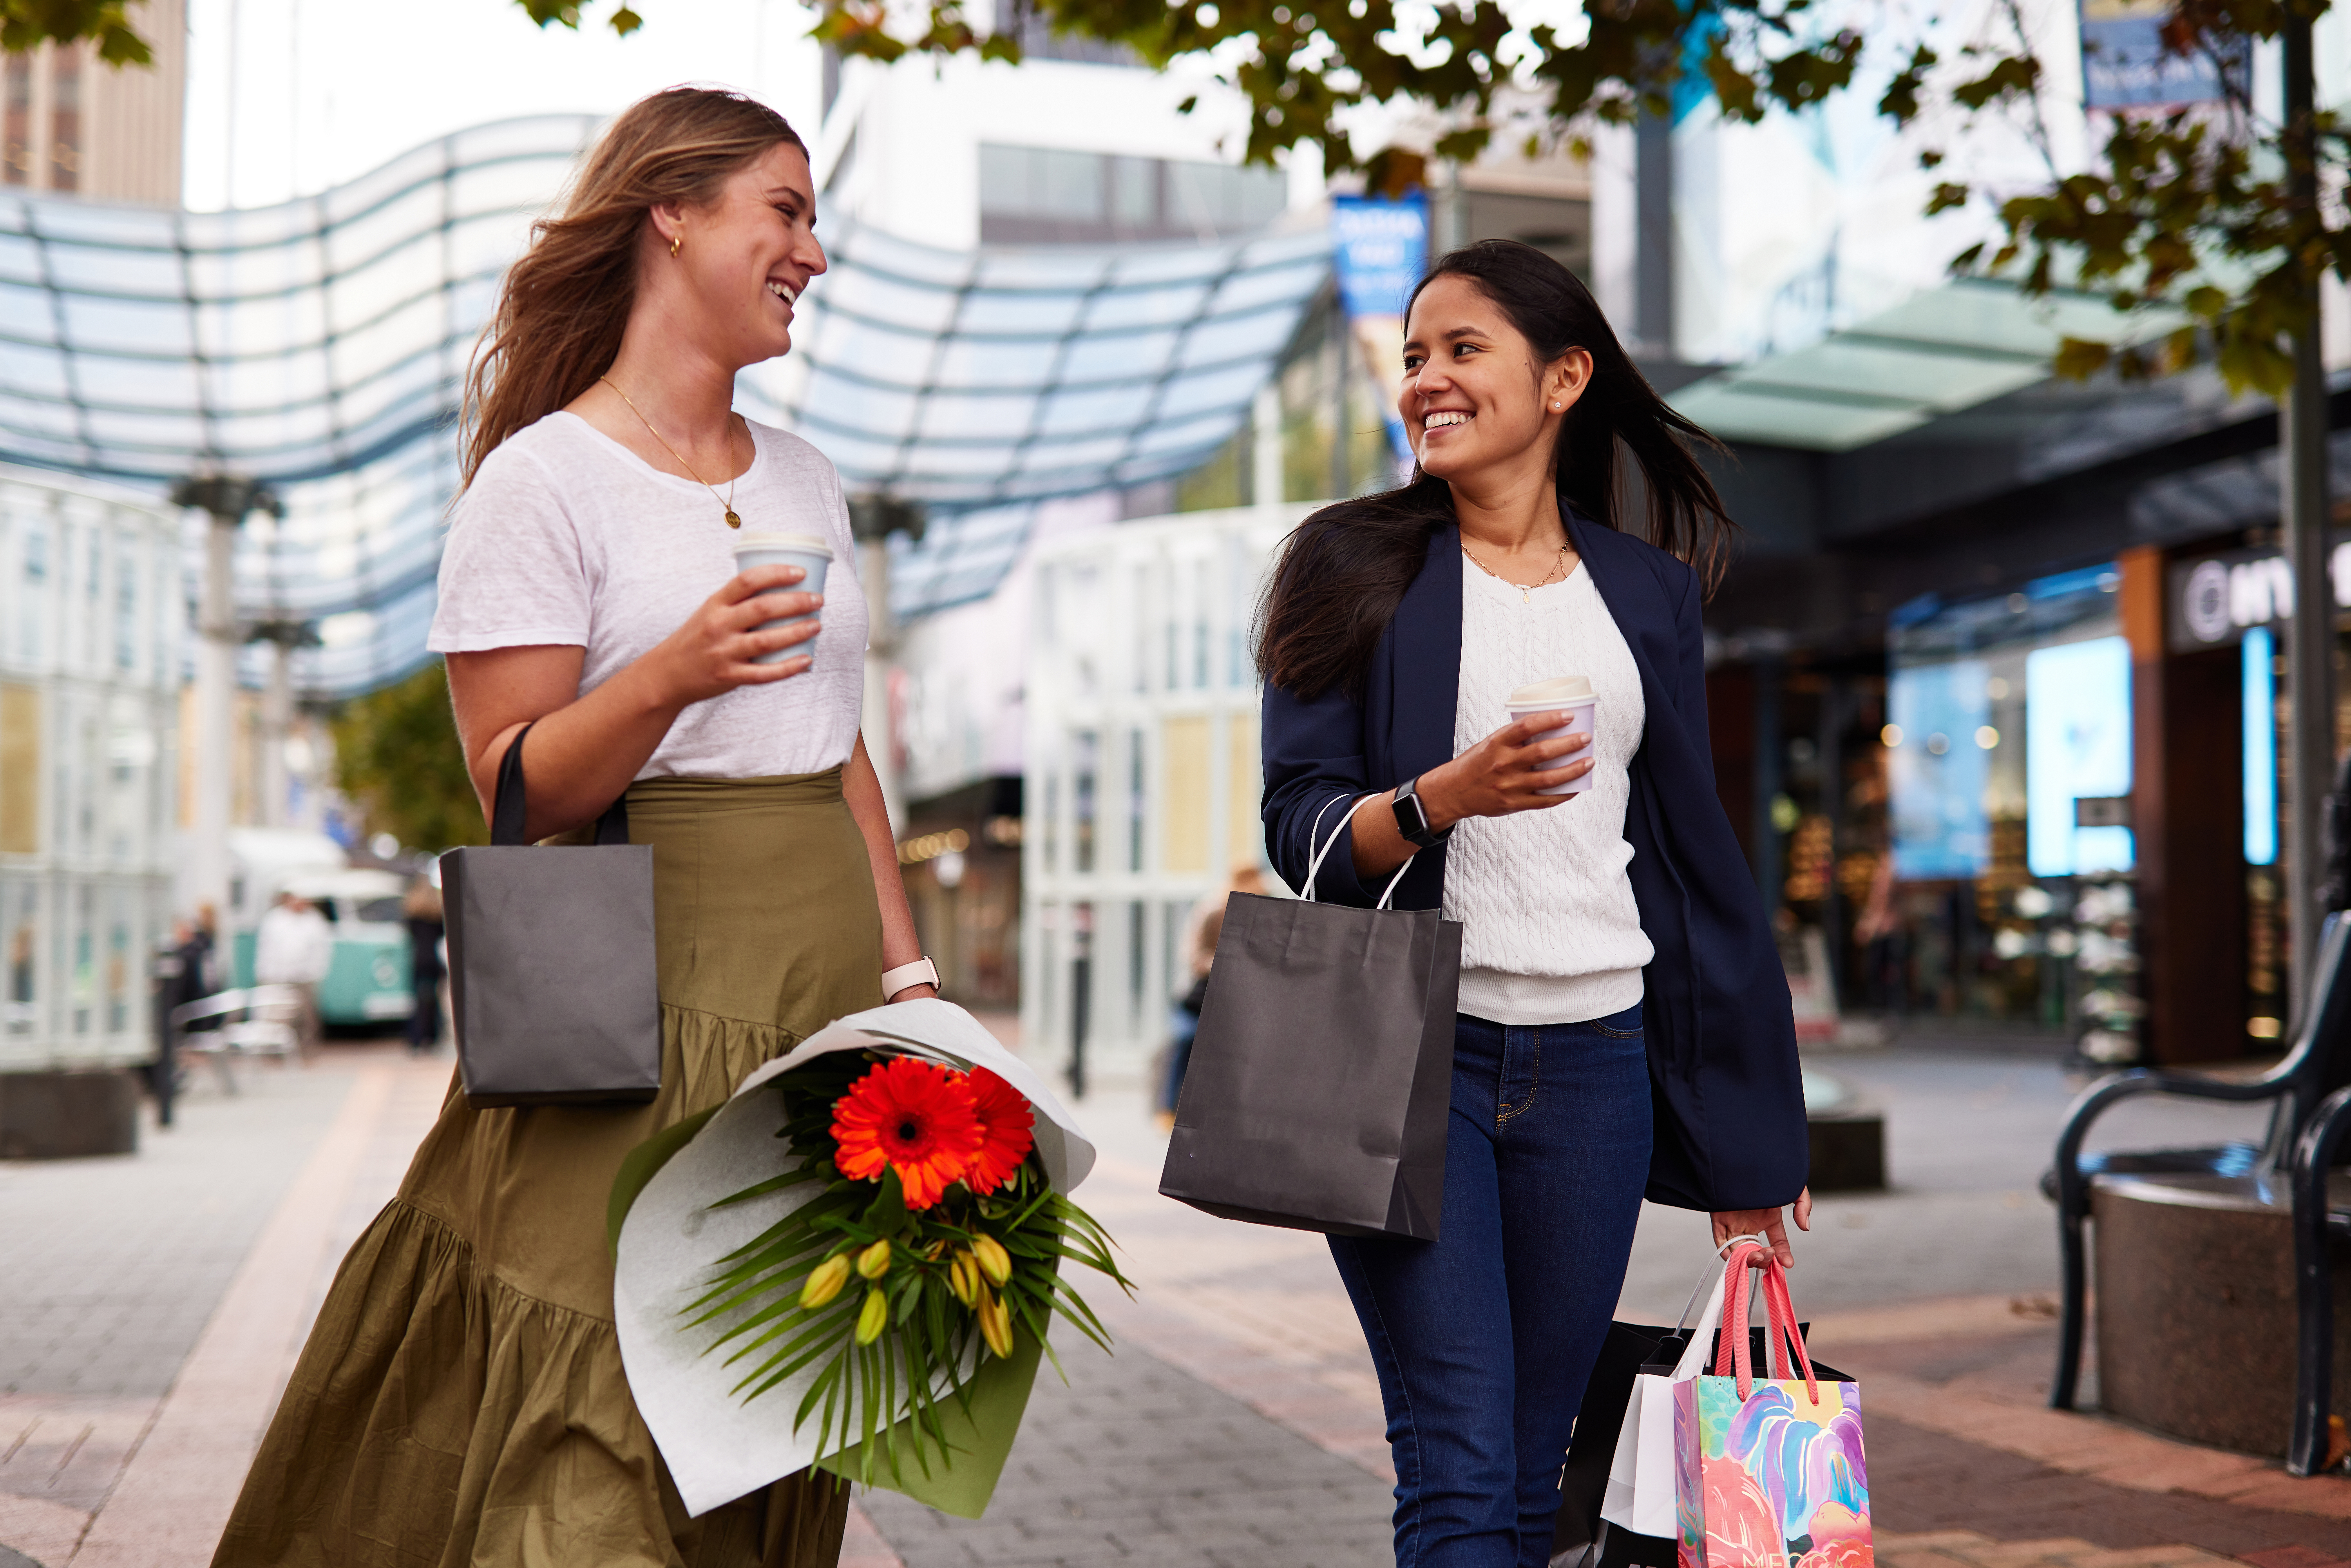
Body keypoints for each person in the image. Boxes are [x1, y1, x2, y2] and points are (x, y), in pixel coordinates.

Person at [211, 88, 940, 1568]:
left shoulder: (803, 478)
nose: (813, 248)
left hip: (822, 993)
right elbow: (518, 790)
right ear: (670, 212)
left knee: (765, 1398)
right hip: (637, 991)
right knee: (602, 1405)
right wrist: (674, 669)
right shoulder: (540, 479)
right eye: (784, 211)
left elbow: (835, 739)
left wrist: (909, 981)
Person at [1255, 239, 1813, 1568]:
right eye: (1412, 357)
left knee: (1520, 1479)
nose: (1425, 381)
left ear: (1562, 377)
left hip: (1594, 1076)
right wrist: (1438, 798)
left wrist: (1747, 1153)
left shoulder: (1643, 595)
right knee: (1454, 1464)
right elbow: (1298, 831)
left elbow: (1688, 875)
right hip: (1410, 1067)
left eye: (1461, 351)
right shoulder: (1349, 565)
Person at [1155, 862, 1264, 1129]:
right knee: (1184, 1043)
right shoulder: (1212, 909)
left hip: (1238, 995)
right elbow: (1193, 956)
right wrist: (1228, 962)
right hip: (1200, 996)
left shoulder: (1262, 909)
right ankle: (1167, 1109)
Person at [252, 891, 330, 1060]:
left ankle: (307, 1051)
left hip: (305, 977)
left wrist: (316, 972)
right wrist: (265, 974)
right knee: (277, 1015)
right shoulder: (274, 920)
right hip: (277, 977)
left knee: (307, 1017)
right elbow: (266, 949)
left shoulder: (315, 920)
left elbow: (322, 951)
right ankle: (275, 1051)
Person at [401, 877, 445, 1055]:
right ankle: (431, 1037)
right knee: (433, 1000)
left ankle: (417, 1037)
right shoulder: (437, 915)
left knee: (418, 1000)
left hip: (418, 959)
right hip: (434, 959)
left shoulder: (412, 914)